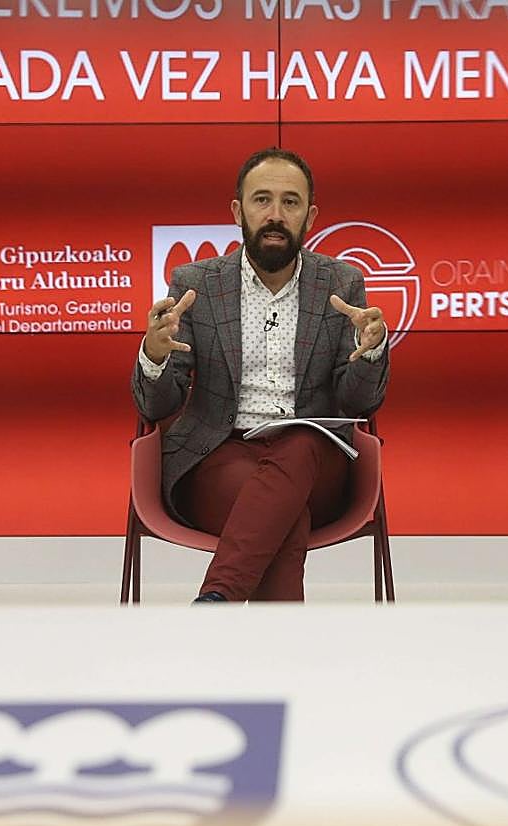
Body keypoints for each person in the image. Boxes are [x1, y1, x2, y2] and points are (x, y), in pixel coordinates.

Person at [132, 147, 389, 602]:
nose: (275, 214)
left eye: (290, 203)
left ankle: (217, 602)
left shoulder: (341, 284)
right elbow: (158, 407)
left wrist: (370, 355)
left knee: (301, 444)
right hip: (217, 456)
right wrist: (153, 353)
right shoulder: (196, 282)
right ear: (238, 211)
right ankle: (269, 654)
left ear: (310, 217)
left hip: (317, 464)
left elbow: (359, 405)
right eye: (262, 200)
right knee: (280, 516)